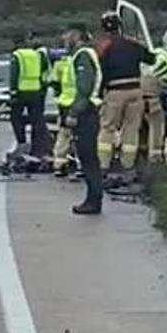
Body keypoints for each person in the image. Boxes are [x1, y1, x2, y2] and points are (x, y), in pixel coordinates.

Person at [95, 10, 156, 186]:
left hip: (114, 91)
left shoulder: (102, 46)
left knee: (107, 128)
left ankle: (103, 165)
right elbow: (152, 59)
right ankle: (127, 166)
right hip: (136, 91)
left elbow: (99, 70)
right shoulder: (132, 44)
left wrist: (98, 94)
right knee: (131, 130)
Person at [62, 25, 104, 215]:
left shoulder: (83, 56)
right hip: (87, 111)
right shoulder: (83, 54)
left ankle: (93, 201)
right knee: (87, 158)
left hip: (86, 113)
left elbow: (84, 88)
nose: (64, 38)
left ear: (76, 35)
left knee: (88, 159)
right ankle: (92, 198)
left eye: (67, 34)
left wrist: (73, 112)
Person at [10, 33, 50, 158]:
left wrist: (13, 92)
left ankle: (21, 143)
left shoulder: (17, 55)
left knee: (16, 118)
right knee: (37, 120)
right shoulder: (37, 54)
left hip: (21, 91)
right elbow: (44, 71)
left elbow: (14, 75)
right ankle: (37, 147)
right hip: (36, 91)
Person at [49, 51, 74, 177]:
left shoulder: (60, 63)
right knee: (81, 135)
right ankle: (80, 165)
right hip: (83, 103)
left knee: (64, 134)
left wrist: (59, 97)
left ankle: (59, 164)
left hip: (65, 103)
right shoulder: (86, 59)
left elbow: (54, 83)